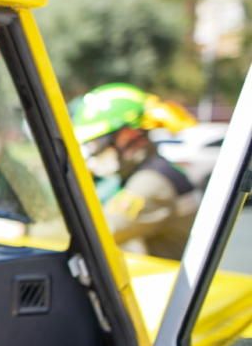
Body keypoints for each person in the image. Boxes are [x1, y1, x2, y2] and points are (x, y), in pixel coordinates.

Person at [71, 83, 200, 259]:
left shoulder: (152, 182)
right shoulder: (135, 173)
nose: (93, 152)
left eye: (97, 142)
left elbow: (97, 233)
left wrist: (29, 229)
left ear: (128, 135)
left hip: (169, 284)